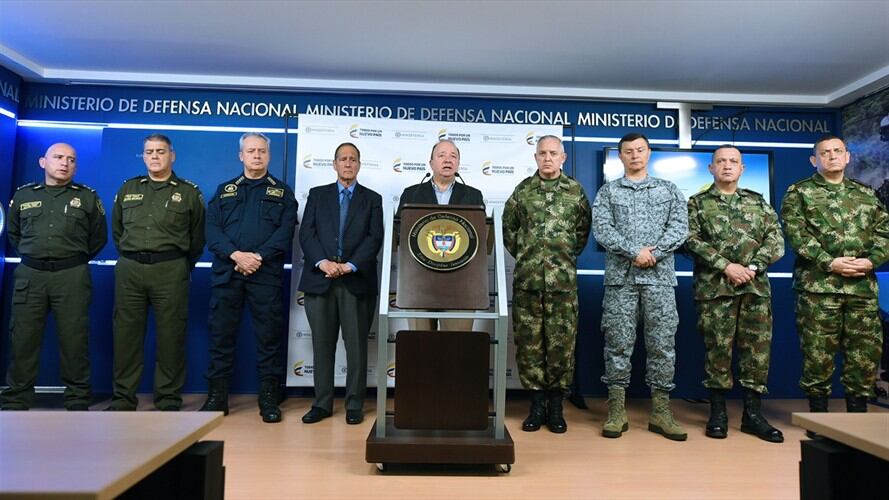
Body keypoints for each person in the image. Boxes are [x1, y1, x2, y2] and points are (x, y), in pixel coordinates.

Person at [781, 135, 889, 415]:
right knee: (818, 356)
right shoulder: (799, 193)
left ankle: (858, 419)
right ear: (814, 160)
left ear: (848, 157)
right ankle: (819, 420)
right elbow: (797, 235)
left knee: (864, 356)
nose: (832, 156)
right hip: (818, 289)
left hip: (861, 289)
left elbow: (884, 234)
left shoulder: (866, 194)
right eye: (825, 152)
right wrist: (829, 262)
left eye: (837, 151)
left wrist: (870, 261)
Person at [591, 132, 689, 441]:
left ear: (648, 154)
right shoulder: (608, 192)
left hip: (659, 280)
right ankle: (616, 411)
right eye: (628, 151)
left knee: (662, 344)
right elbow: (602, 229)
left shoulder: (669, 190)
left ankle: (661, 412)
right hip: (621, 280)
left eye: (640, 150)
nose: (635, 155)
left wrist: (654, 253)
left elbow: (680, 228)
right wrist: (634, 252)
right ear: (620, 157)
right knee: (618, 343)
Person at [685, 145, 784, 442]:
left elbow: (775, 241)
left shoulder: (758, 202)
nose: (727, 166)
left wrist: (752, 267)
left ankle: (753, 416)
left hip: (754, 289)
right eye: (721, 161)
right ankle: (718, 413)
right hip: (715, 291)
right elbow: (690, 239)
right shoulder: (696, 204)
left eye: (733, 162)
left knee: (757, 353)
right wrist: (726, 265)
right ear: (711, 168)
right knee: (717, 352)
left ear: (742, 168)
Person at [0, 143, 107, 411]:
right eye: (58, 157)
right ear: (42, 162)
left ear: (76, 166)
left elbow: (98, 238)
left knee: (74, 340)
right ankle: (17, 398)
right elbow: (14, 234)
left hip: (71, 275)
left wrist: (70, 258)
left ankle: (77, 398)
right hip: (31, 275)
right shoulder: (24, 196)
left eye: (71, 159)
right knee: (23, 339)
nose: (64, 163)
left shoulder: (87, 198)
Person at [200, 132, 298, 423]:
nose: (256, 155)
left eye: (261, 151)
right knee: (221, 337)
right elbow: (212, 231)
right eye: (251, 150)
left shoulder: (282, 193)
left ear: (269, 156)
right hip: (228, 274)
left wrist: (257, 258)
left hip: (265, 275)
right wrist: (236, 255)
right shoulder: (224, 190)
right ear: (241, 156)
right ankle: (217, 397)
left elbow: (284, 233)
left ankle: (268, 399)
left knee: (268, 339)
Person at [107, 133, 205, 411]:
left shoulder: (189, 192)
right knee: (126, 336)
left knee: (171, 336)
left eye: (160, 151)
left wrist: (180, 264)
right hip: (130, 270)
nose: (154, 156)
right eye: (149, 151)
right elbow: (117, 231)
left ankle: (168, 399)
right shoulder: (128, 188)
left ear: (171, 156)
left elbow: (197, 238)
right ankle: (123, 399)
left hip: (170, 270)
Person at [502, 135, 591, 433]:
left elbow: (581, 234)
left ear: (563, 157)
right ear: (536, 157)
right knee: (529, 345)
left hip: (562, 285)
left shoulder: (575, 192)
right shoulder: (522, 192)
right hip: (528, 282)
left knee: (561, 345)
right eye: (542, 153)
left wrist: (557, 260)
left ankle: (556, 406)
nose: (548, 158)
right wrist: (531, 257)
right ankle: (536, 404)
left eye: (553, 153)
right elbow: (508, 232)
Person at [298, 143, 383, 425]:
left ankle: (354, 404)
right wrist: (323, 262)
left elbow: (374, 238)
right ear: (334, 164)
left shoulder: (373, 199)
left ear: (359, 165)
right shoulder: (317, 195)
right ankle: (321, 403)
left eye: (353, 159)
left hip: (356, 281)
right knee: (322, 345)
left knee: (356, 346)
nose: (348, 164)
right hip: (320, 279)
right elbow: (306, 234)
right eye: (343, 159)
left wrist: (349, 265)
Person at [397, 139, 484, 331]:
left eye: (453, 156)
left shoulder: (473, 196)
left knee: (456, 349)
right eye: (442, 155)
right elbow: (399, 235)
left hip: (461, 285)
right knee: (420, 346)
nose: (448, 160)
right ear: (431, 163)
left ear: (458, 164)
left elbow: (482, 238)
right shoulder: (412, 194)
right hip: (419, 283)